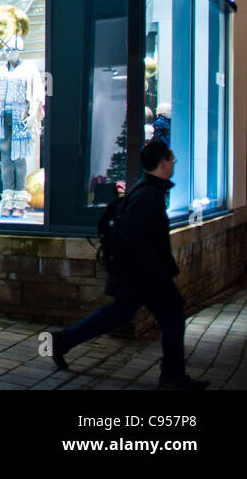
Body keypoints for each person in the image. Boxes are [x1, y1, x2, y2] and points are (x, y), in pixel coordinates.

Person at [50, 140, 208, 389]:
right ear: (163, 163)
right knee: (172, 316)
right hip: (144, 274)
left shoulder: (147, 189)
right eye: (172, 160)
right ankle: (172, 376)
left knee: (117, 314)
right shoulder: (148, 194)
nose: (174, 164)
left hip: (137, 273)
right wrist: (156, 269)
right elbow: (134, 235)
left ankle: (62, 341)